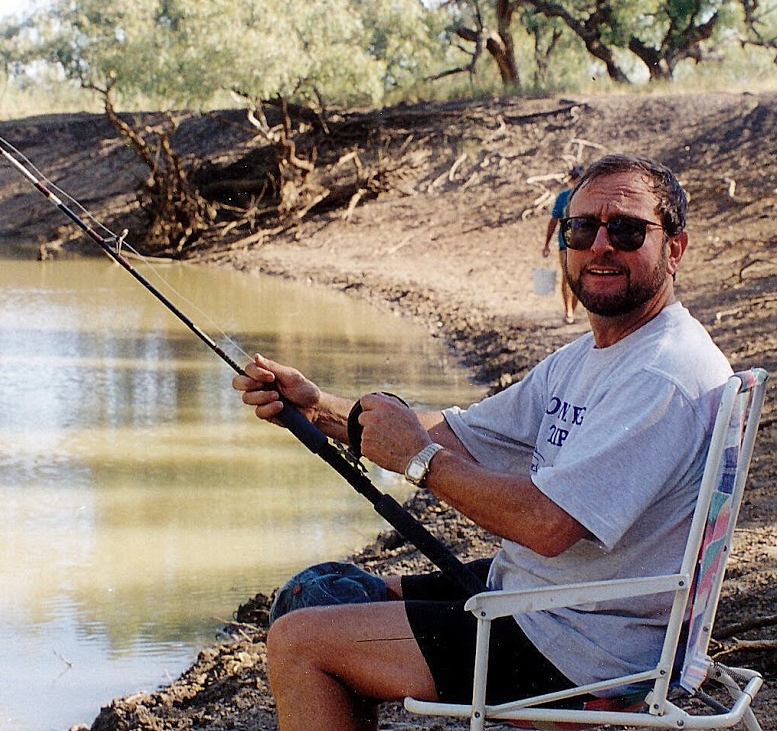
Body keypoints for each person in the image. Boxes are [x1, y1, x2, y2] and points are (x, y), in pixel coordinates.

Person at [233, 154, 732, 731]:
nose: (600, 245)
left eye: (625, 229)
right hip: (547, 602)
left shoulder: (660, 374)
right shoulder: (593, 357)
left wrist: (420, 462)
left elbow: (547, 526)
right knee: (320, 593)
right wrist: (316, 408)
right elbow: (463, 433)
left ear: (675, 247)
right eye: (582, 227)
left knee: (300, 644)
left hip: (583, 651)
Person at [542, 165, 583, 323]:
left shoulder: (588, 196)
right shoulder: (563, 197)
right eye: (574, 178)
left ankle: (574, 307)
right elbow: (553, 220)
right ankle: (568, 311)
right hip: (565, 242)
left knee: (579, 277)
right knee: (567, 275)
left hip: (583, 242)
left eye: (579, 177)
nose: (576, 181)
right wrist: (546, 244)